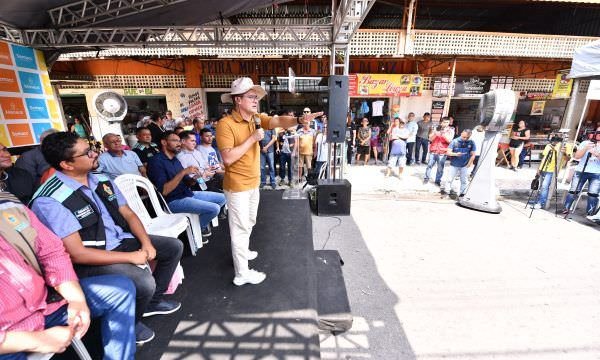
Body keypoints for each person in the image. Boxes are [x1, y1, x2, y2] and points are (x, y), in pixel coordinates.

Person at [31, 131, 183, 345]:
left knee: (173, 247)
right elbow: (77, 254)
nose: (96, 154)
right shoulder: (51, 199)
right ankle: (129, 324)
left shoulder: (100, 178)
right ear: (67, 164)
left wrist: (146, 243)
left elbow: (128, 213)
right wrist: (131, 258)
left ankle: (151, 304)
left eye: (92, 148)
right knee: (143, 282)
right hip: (91, 258)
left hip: (121, 240)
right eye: (88, 152)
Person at [0, 192, 136, 360]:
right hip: (8, 339)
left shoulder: (8, 204)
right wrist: (35, 340)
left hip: (43, 305)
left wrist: (76, 299)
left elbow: (51, 252)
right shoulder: (50, 197)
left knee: (120, 289)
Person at [216, 77, 322, 286]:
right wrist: (252, 139)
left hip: (253, 182)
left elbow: (278, 121)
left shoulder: (255, 118)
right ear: (237, 100)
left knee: (250, 222)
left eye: (256, 97)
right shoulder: (225, 124)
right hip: (237, 185)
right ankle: (241, 273)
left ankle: (243, 252)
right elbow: (227, 158)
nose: (255, 100)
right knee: (240, 228)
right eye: (251, 97)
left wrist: (299, 120)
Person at [147, 131, 227, 237]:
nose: (179, 143)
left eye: (179, 141)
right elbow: (164, 191)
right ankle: (197, 229)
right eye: (175, 140)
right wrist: (183, 172)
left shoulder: (175, 160)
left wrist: (195, 178)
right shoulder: (156, 161)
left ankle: (196, 225)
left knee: (223, 198)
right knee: (214, 208)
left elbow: (187, 182)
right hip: (173, 201)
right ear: (164, 142)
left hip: (188, 193)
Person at [563, 129, 600, 215]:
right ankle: (566, 208)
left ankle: (590, 213)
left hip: (597, 173)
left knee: (593, 194)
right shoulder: (585, 143)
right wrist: (586, 148)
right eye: (597, 132)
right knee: (574, 190)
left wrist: (597, 154)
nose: (598, 134)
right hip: (581, 170)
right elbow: (577, 156)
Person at [441, 129, 476, 198]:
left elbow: (473, 154)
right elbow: (448, 152)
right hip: (454, 164)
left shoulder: (471, 142)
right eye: (464, 137)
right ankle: (446, 192)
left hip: (465, 165)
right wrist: (456, 154)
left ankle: (462, 194)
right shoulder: (455, 141)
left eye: (467, 137)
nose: (465, 139)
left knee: (464, 180)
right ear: (461, 133)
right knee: (449, 179)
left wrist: (469, 164)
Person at [531, 137, 561, 209]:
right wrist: (538, 168)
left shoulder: (562, 147)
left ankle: (541, 203)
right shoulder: (548, 146)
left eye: (555, 142)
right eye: (552, 141)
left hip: (551, 170)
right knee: (541, 186)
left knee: (545, 186)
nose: (553, 143)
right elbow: (544, 157)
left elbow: (567, 158)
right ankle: (539, 200)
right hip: (543, 168)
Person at [424, 117, 454, 186]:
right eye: (444, 122)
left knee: (440, 168)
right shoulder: (436, 128)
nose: (445, 124)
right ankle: (426, 178)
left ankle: (437, 181)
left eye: (447, 122)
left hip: (442, 152)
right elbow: (430, 139)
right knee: (429, 166)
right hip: (433, 150)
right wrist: (435, 133)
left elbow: (449, 141)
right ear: (441, 122)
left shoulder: (451, 130)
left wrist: (443, 134)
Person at [259, 125, 277, 189]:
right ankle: (263, 181)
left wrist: (266, 147)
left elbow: (274, 138)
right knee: (262, 167)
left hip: (270, 150)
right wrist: (262, 148)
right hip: (261, 150)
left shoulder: (272, 127)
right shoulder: (259, 127)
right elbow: (258, 139)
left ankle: (273, 182)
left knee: (271, 167)